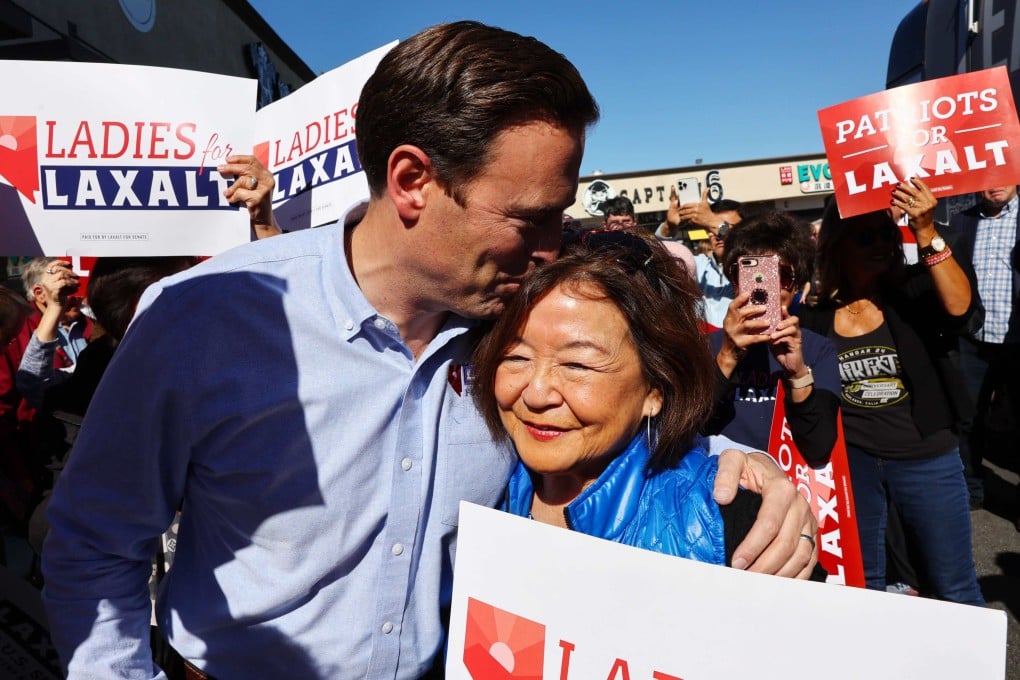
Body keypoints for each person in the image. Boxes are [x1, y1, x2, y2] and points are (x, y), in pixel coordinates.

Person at [42, 21, 815, 679]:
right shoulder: (199, 320)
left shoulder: (516, 321)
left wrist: (733, 465)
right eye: (528, 218)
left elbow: (607, 410)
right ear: (413, 180)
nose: (553, 248)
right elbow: (95, 547)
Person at [472, 230, 821, 577]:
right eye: (516, 357)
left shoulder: (736, 529)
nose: (536, 393)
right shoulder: (484, 488)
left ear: (655, 389)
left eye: (577, 365)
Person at [799, 178, 984, 605]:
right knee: (865, 586)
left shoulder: (914, 289)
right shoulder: (817, 313)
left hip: (927, 457)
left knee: (954, 585)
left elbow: (960, 309)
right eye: (866, 237)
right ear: (840, 244)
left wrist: (924, 230)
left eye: (887, 233)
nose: (881, 245)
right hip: (854, 466)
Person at [705, 211, 840, 464]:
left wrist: (798, 374)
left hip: (791, 492)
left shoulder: (818, 350)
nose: (766, 290)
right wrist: (726, 358)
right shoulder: (704, 347)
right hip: (719, 487)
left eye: (783, 276)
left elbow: (819, 448)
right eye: (751, 277)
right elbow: (687, 430)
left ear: (798, 285)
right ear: (734, 282)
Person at [943, 185, 1019, 513]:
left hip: (1017, 341)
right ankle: (972, 488)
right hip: (972, 342)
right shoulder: (961, 222)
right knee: (967, 418)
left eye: (1004, 173)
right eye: (987, 176)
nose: (996, 183)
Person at [657, 187, 745, 328]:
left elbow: (750, 246)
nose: (717, 234)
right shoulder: (696, 265)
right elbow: (659, 257)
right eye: (711, 229)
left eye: (727, 227)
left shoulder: (753, 264)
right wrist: (668, 227)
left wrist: (714, 223)